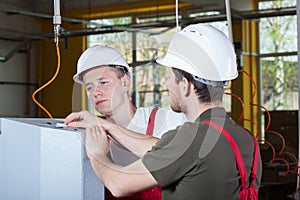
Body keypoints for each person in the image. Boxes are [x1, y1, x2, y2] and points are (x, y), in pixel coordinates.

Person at [65, 24, 262, 199]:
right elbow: (165, 150)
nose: (166, 85)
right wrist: (106, 125)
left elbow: (118, 185)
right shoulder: (246, 140)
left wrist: (98, 153)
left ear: (185, 85)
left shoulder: (191, 137)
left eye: (169, 78)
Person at [71, 44, 186, 199]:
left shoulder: (168, 120)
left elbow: (175, 156)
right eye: (89, 88)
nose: (96, 92)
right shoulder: (90, 137)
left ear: (125, 83)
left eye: (103, 82)